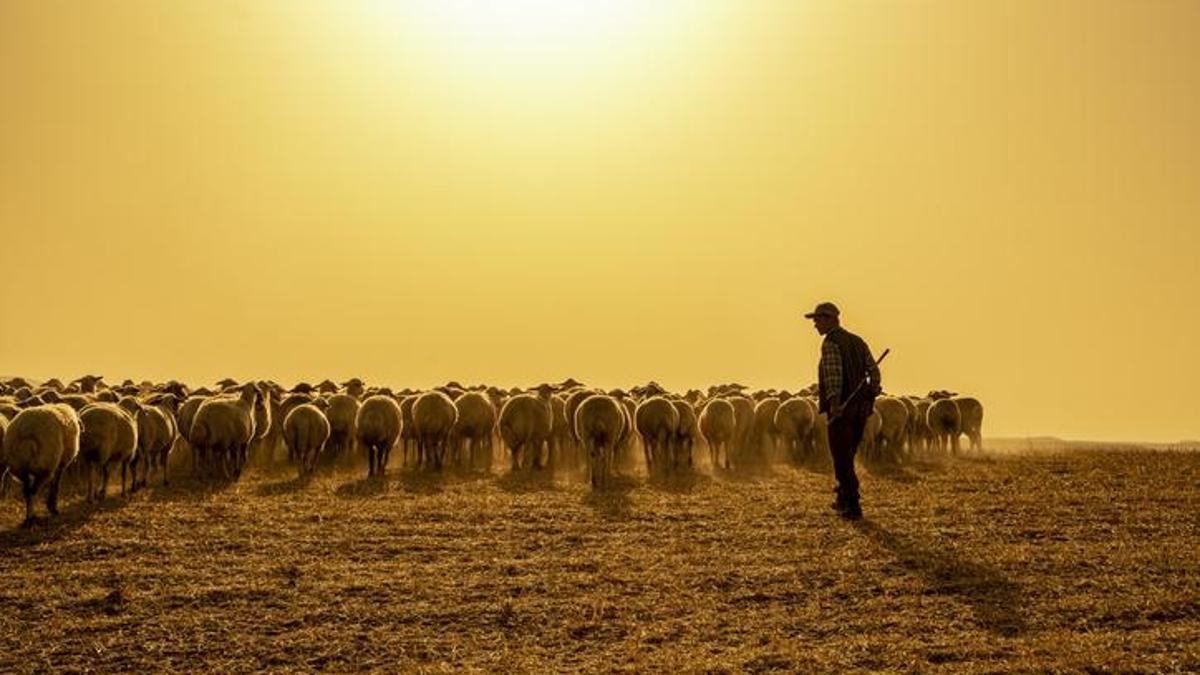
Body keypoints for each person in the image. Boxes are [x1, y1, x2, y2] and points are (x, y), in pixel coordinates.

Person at [804, 302, 880, 520]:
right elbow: (874, 372)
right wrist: (872, 391)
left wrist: (835, 404)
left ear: (830, 319)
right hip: (861, 411)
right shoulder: (857, 341)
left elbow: (833, 376)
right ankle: (842, 498)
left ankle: (852, 504)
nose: (815, 325)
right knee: (849, 454)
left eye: (818, 320)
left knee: (841, 458)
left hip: (843, 411)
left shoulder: (831, 343)